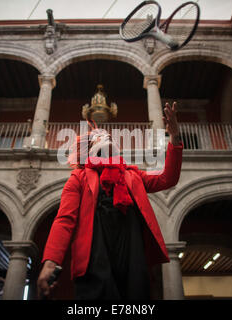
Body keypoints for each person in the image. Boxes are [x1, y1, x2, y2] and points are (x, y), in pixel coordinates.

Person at [37, 102, 183, 300]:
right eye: (98, 136)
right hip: (95, 258)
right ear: (88, 149)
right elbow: (64, 220)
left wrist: (174, 138)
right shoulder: (78, 178)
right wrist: (50, 262)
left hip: (131, 257)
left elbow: (168, 178)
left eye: (107, 136)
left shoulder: (133, 175)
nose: (105, 136)